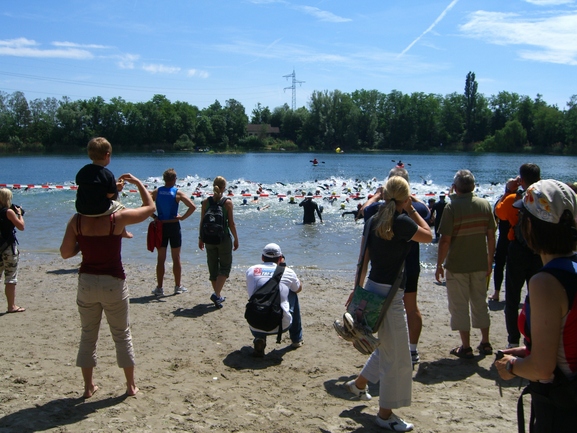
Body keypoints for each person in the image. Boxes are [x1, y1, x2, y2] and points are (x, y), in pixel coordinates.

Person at [345, 176, 432, 431]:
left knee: (386, 347)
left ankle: (359, 385)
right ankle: (385, 415)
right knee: (398, 357)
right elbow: (429, 235)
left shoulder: (374, 219)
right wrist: (412, 209)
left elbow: (363, 259)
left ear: (383, 195)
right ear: (406, 197)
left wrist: (357, 289)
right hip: (390, 295)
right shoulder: (403, 221)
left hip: (373, 289)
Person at [60, 173, 155, 398]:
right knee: (122, 335)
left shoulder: (77, 220)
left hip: (87, 281)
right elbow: (150, 208)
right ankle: (130, 386)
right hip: (113, 281)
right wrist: (137, 183)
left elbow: (65, 253)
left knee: (88, 335)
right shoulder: (117, 218)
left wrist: (83, 244)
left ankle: (88, 387)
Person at [494, 179, 577, 432]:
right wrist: (528, 348)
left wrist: (509, 367)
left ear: (530, 226)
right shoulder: (571, 269)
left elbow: (542, 367)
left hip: (561, 405)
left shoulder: (546, 282)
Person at [361, 166, 431, 365]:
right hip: (410, 266)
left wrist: (377, 196)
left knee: (383, 313)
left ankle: (382, 353)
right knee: (411, 308)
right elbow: (427, 214)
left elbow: (364, 209)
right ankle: (413, 350)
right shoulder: (416, 209)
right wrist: (412, 200)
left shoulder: (376, 211)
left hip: (385, 270)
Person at [435, 170, 496, 358]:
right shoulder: (485, 204)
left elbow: (445, 240)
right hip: (480, 262)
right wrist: (490, 260)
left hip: (457, 265)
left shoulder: (451, 207)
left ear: (455, 187)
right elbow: (491, 236)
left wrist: (439, 264)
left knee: (459, 305)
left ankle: (466, 346)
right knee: (480, 302)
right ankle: (485, 342)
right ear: (474, 186)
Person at [495, 163, 542, 348]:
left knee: (512, 298)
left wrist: (508, 190)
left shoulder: (514, 199)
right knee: (537, 297)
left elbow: (499, 213)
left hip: (518, 250)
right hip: (539, 250)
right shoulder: (545, 199)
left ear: (521, 180)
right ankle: (534, 339)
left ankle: (513, 340)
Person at [245, 243, 303, 357]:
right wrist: (284, 267)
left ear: (262, 257)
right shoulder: (287, 271)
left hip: (255, 324)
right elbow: (298, 289)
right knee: (292, 292)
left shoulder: (251, 270)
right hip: (281, 324)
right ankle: (296, 339)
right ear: (280, 258)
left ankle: (260, 337)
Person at [150, 168, 196, 296]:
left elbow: (145, 206)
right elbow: (192, 207)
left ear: (164, 179)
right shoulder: (177, 193)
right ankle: (177, 286)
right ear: (175, 179)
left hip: (161, 226)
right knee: (176, 258)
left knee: (161, 259)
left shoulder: (156, 192)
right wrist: (182, 218)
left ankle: (160, 288)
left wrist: (154, 217)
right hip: (174, 226)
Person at [75, 137, 131, 238]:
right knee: (121, 207)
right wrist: (116, 188)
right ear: (107, 155)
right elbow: (110, 195)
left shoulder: (83, 171)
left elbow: (90, 185)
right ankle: (123, 232)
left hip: (81, 208)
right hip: (100, 208)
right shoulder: (108, 174)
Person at [198, 176, 239, 308]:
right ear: (224, 188)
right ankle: (216, 294)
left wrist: (200, 238)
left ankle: (218, 295)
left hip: (208, 239)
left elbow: (202, 221)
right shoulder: (227, 203)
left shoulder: (206, 202)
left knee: (213, 267)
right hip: (223, 238)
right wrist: (236, 239)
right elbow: (231, 224)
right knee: (225, 267)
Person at [0, 188, 26, 313]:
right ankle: (11, 306)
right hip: (8, 248)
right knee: (10, 278)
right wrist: (19, 214)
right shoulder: (9, 212)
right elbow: (21, 226)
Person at [488, 197, 510, 302]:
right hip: (517, 240)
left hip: (503, 239)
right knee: (513, 268)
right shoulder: (521, 200)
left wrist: (491, 241)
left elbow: (494, 224)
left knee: (499, 266)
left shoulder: (501, 201)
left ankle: (496, 293)